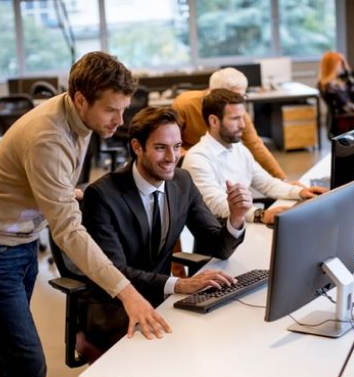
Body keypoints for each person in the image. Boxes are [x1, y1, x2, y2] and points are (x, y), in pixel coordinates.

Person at [0, 52, 170, 377]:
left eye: (123, 109)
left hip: (21, 238)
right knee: (27, 363)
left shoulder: (80, 117)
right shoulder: (49, 137)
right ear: (81, 99)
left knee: (8, 353)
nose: (120, 120)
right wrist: (127, 293)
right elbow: (68, 232)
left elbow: (45, 173)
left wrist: (61, 191)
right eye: (111, 110)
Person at [78, 106, 250, 359]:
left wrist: (236, 217)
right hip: (115, 306)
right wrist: (179, 284)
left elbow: (218, 246)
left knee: (225, 342)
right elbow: (114, 271)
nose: (172, 157)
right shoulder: (102, 195)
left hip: (163, 299)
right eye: (161, 148)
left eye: (177, 146)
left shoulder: (182, 182)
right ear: (137, 147)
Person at [182, 89, 327, 225]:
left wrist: (299, 192)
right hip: (220, 236)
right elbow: (217, 205)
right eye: (235, 119)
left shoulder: (238, 148)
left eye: (243, 118)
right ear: (214, 121)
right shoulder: (197, 158)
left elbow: (266, 183)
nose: (243, 125)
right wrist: (259, 214)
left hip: (242, 224)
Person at [172, 67, 287, 180]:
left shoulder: (237, 112)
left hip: (218, 159)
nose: (239, 102)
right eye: (235, 97)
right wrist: (189, 156)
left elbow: (256, 146)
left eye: (242, 96)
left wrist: (282, 179)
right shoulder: (185, 104)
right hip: (187, 160)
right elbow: (170, 141)